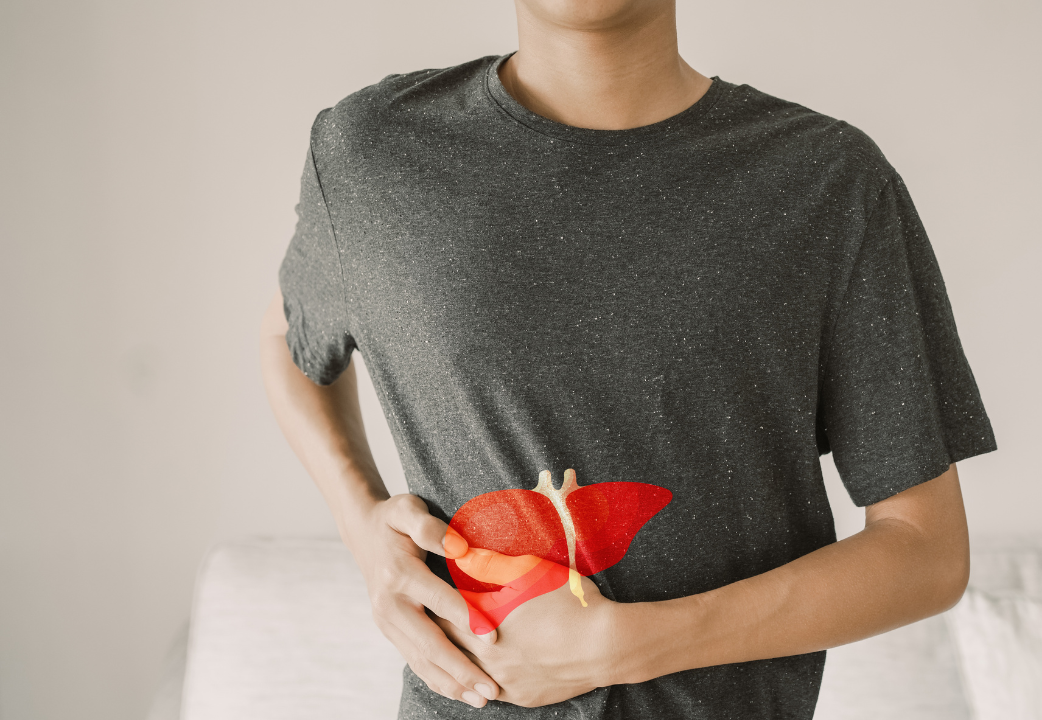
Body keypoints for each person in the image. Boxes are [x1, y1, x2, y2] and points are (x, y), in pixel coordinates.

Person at [259, 0, 997, 718]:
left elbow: (926, 552)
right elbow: (290, 340)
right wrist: (365, 531)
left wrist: (620, 646)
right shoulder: (373, 153)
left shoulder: (827, 181)